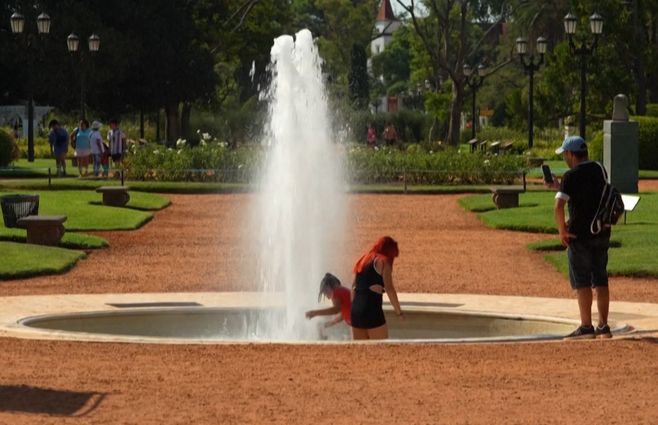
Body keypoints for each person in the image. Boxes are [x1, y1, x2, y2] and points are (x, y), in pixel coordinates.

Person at [548, 135, 612, 339]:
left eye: (565, 154)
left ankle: (586, 326)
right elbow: (590, 195)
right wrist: (560, 187)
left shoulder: (570, 176)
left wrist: (562, 231)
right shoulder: (599, 170)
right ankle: (603, 326)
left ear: (570, 154)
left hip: (579, 234)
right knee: (600, 278)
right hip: (601, 230)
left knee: (582, 281)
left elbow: (558, 206)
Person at [350, 236, 403, 340]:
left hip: (356, 311)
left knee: (361, 351)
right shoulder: (383, 261)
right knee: (381, 349)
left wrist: (355, 307)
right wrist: (399, 312)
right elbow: (389, 288)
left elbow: (353, 287)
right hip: (371, 309)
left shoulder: (363, 259)